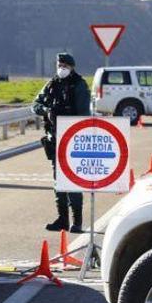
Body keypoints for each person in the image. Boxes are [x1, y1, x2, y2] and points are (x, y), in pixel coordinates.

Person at [32, 53, 91, 233]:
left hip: (73, 139)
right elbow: (35, 104)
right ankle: (62, 220)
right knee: (59, 181)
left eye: (65, 65)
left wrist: (69, 125)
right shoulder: (52, 84)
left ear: (72, 67)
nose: (62, 68)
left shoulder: (79, 85)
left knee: (72, 180)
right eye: (59, 64)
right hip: (54, 138)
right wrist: (46, 111)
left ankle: (77, 221)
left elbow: (83, 115)